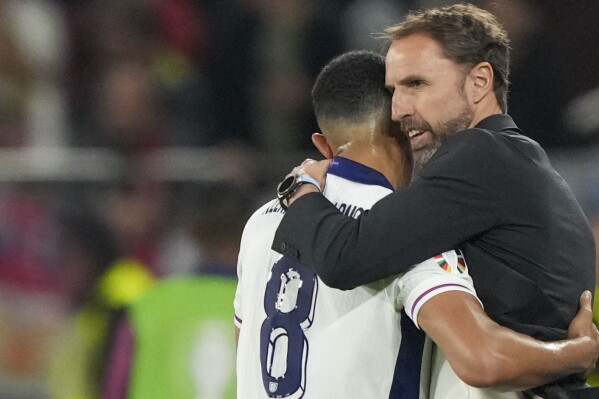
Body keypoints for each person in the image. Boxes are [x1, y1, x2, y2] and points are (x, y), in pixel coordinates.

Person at [272, 3, 597, 396]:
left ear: (479, 82)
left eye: (416, 85)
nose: (396, 111)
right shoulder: (514, 163)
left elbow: (345, 257)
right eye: (393, 91)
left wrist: (300, 188)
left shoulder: (480, 156)